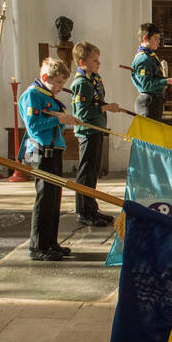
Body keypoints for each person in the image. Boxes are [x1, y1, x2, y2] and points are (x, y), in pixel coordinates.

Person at [20, 57, 78, 261]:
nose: (61, 87)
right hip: (42, 151)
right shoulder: (32, 95)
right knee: (44, 199)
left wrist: (62, 120)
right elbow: (34, 126)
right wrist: (58, 119)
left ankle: (51, 242)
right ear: (45, 77)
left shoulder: (48, 96)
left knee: (54, 199)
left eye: (63, 82)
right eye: (59, 82)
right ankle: (38, 246)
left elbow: (55, 125)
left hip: (55, 149)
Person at [70, 41, 119, 228]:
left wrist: (105, 108)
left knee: (93, 172)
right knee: (86, 172)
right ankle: (83, 210)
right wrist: (107, 107)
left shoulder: (93, 79)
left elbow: (96, 103)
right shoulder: (81, 83)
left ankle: (92, 207)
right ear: (82, 62)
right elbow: (82, 113)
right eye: (94, 60)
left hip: (97, 129)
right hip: (88, 130)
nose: (98, 63)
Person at [131, 23, 172, 122]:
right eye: (155, 39)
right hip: (148, 103)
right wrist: (167, 81)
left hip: (154, 101)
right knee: (147, 136)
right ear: (145, 38)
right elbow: (146, 85)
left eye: (159, 39)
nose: (158, 42)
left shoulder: (150, 56)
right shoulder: (144, 59)